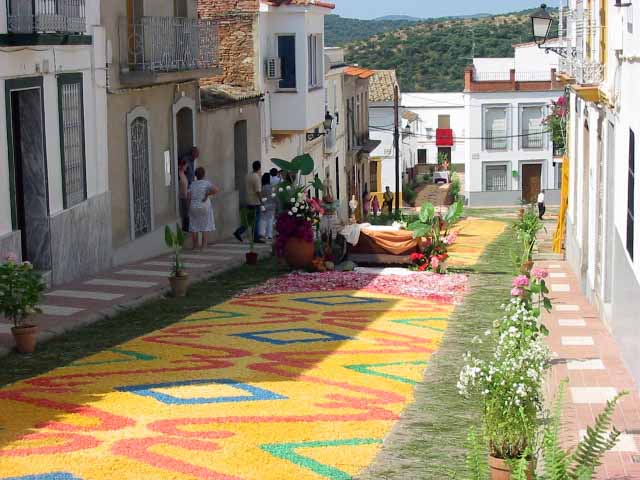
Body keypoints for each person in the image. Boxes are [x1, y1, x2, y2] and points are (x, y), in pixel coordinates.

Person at [188, 167, 219, 250]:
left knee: (194, 227)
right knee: (205, 226)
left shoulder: (192, 184)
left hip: (193, 206)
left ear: (196, 175)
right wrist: (207, 194)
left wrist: (189, 206)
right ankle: (204, 246)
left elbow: (189, 196)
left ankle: (195, 246)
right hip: (204, 206)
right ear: (204, 174)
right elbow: (216, 189)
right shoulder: (206, 183)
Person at [234, 161, 264, 243]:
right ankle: (255, 237)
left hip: (248, 200)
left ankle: (239, 231)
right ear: (259, 167)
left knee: (250, 220)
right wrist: (262, 200)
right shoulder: (256, 177)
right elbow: (258, 191)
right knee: (256, 220)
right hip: (255, 201)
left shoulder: (248, 175)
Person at [260, 173, 276, 240]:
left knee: (264, 220)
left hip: (263, 204)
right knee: (270, 220)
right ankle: (269, 234)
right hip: (270, 205)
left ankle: (262, 233)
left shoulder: (262, 187)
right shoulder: (270, 187)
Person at [178, 158, 190, 232]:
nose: (186, 167)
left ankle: (186, 227)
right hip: (182, 196)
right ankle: (185, 227)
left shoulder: (183, 174)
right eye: (185, 166)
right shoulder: (178, 174)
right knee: (185, 213)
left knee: (187, 212)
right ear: (182, 166)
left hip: (185, 196)